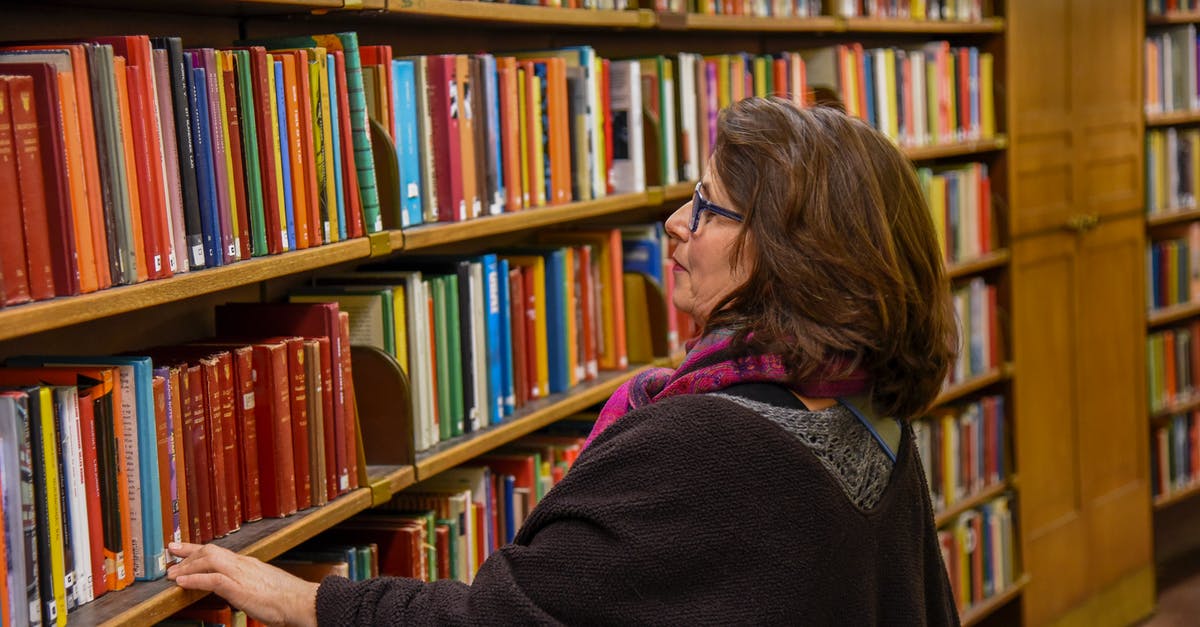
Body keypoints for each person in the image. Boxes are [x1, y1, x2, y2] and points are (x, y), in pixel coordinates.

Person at [167, 96, 961, 626]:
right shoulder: (864, 406)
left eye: (710, 207)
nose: (675, 221)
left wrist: (310, 600)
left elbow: (502, 618)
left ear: (790, 251)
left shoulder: (701, 442)